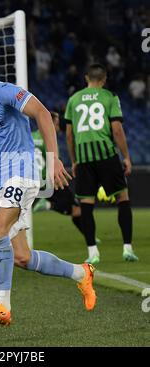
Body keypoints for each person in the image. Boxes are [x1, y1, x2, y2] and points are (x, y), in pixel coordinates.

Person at [0, 47, 96, 326]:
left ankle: (3, 305)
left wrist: (53, 159)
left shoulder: (5, 92)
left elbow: (43, 115)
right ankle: (81, 273)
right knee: (22, 257)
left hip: (22, 173)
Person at [65, 63, 138, 265]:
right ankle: (127, 249)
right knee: (122, 198)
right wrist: (126, 157)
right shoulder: (110, 97)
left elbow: (69, 135)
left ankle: (92, 252)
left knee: (86, 204)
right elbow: (117, 130)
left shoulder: (73, 99)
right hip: (106, 154)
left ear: (86, 78)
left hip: (84, 158)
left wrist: (73, 160)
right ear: (104, 79)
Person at [33, 111, 101, 246]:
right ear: (50, 123)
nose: (58, 127)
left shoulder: (30, 136)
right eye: (57, 124)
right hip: (49, 180)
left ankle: (91, 237)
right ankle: (47, 205)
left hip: (32, 180)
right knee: (76, 210)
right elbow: (51, 160)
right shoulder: (49, 138)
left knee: (75, 209)